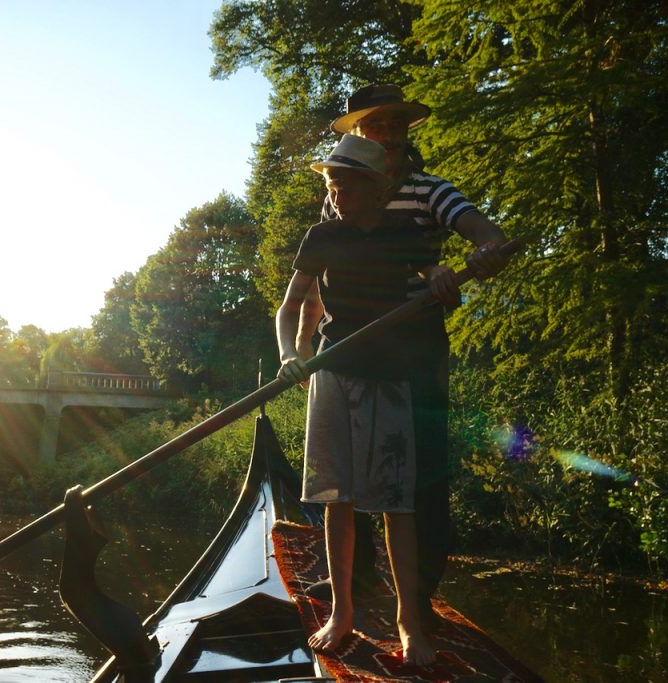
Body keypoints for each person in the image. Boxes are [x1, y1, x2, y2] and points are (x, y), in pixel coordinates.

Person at [296, 84, 509, 630]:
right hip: (344, 352)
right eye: (377, 125)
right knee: (341, 480)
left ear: (407, 131)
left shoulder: (430, 190)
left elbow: (486, 237)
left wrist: (473, 259)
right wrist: (303, 346)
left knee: (415, 475)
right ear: (361, 134)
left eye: (397, 124)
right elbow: (322, 280)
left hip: (411, 350)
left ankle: (416, 601)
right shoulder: (337, 194)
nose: (389, 132)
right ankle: (354, 588)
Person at [277, 133, 441, 664]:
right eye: (332, 180)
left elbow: (432, 273)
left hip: (388, 376)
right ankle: (342, 612)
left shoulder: (403, 232)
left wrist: (442, 277)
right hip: (332, 372)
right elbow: (289, 308)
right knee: (336, 497)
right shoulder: (322, 235)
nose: (336, 189)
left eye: (345, 180)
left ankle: (409, 623)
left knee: (398, 503)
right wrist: (288, 354)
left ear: (375, 186)